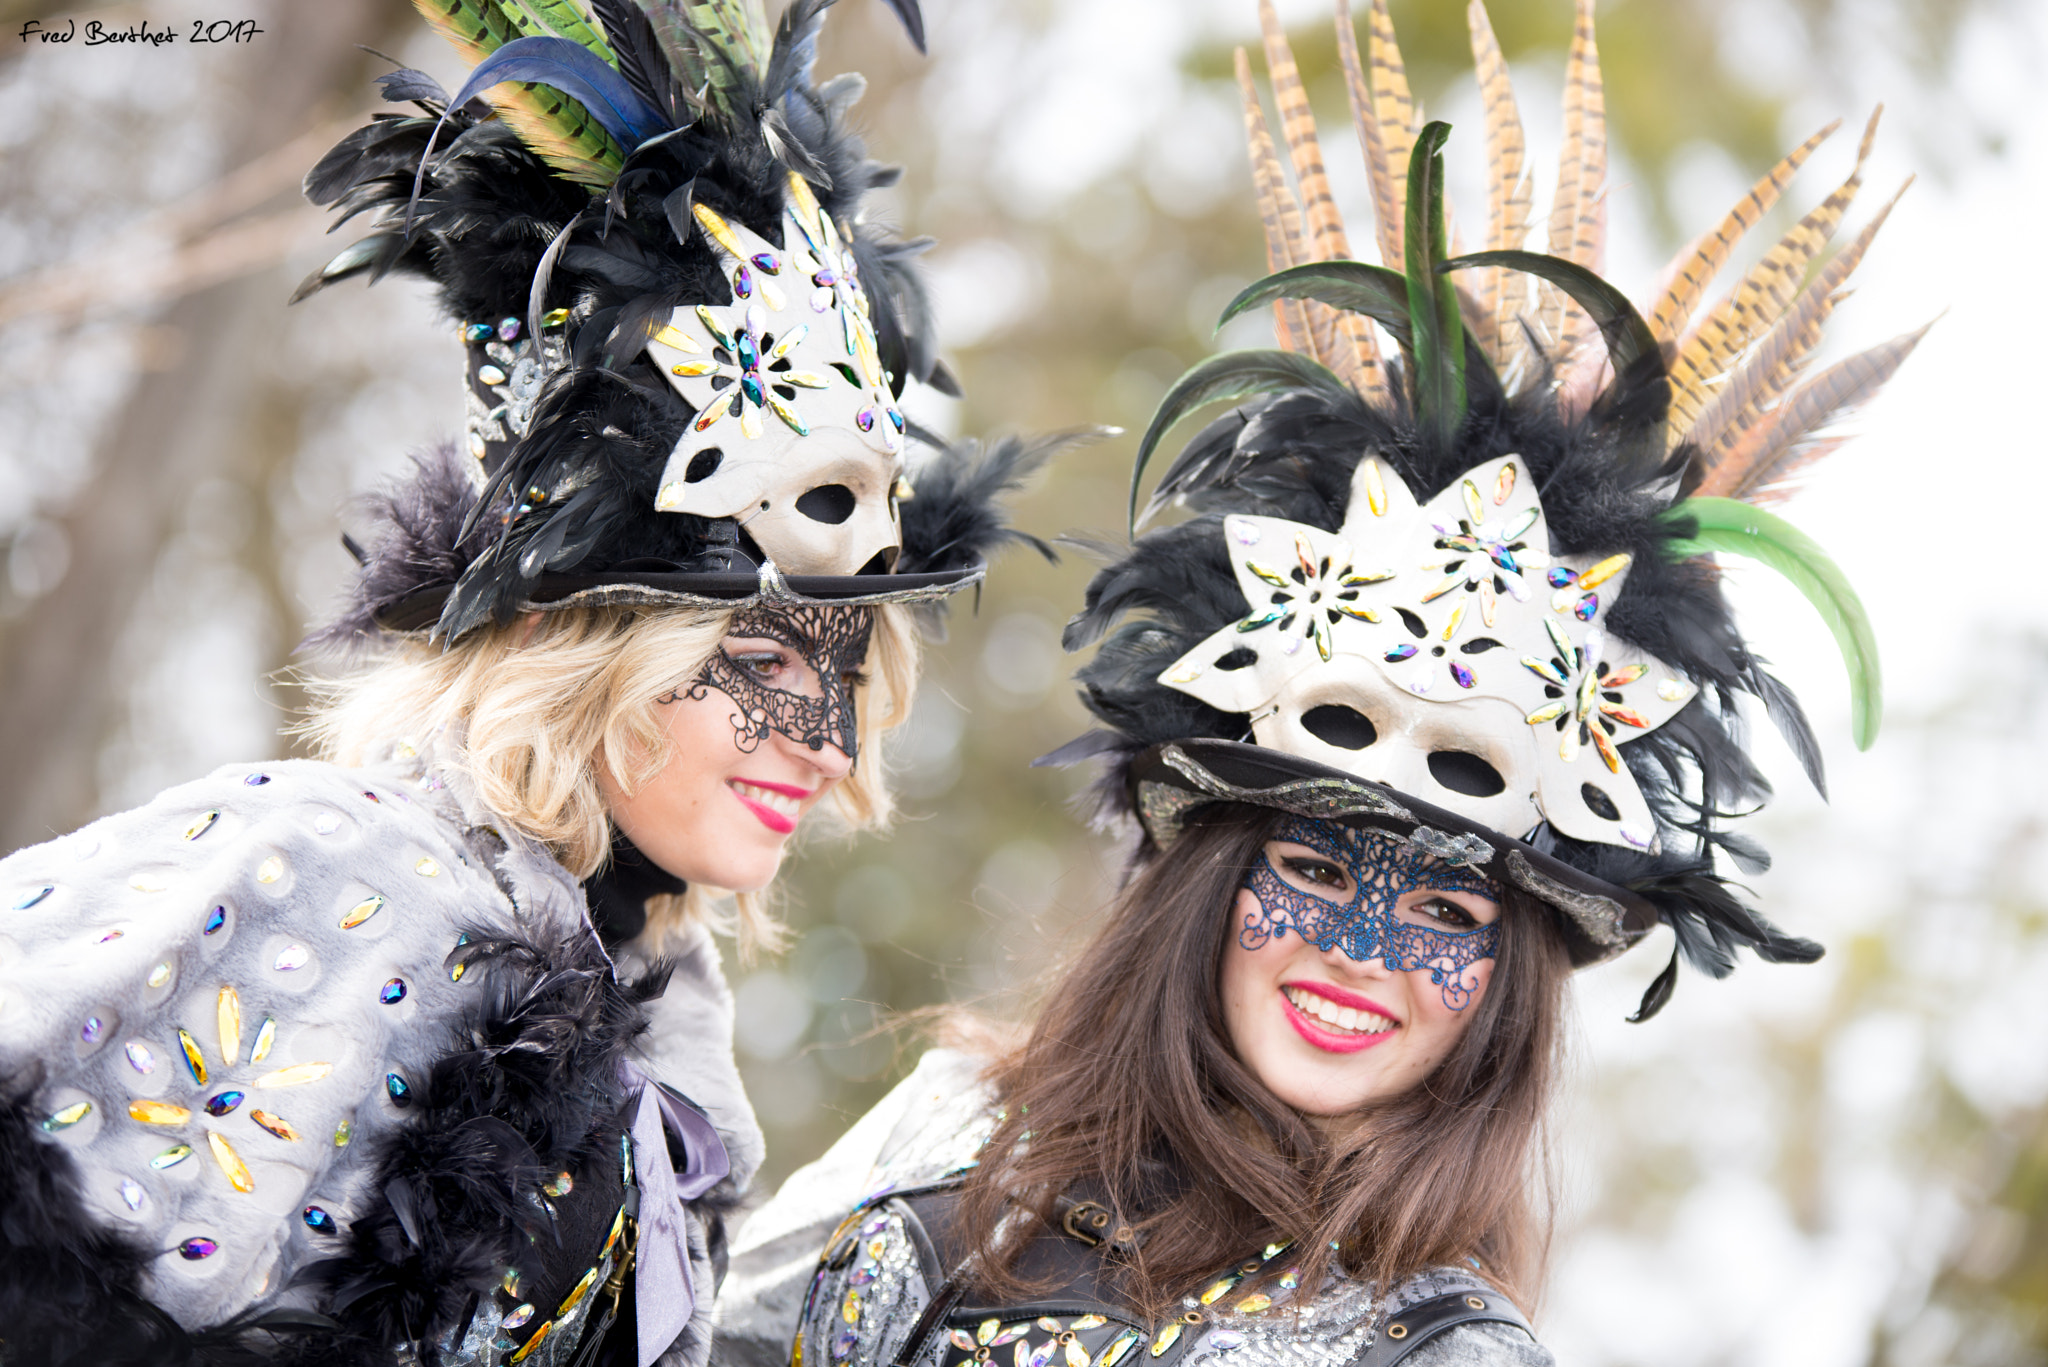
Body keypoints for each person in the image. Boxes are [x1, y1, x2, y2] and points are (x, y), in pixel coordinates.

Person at [715, 0, 1925, 1362]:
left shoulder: (1437, 1350)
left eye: (1451, 905)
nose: (1360, 956)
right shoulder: (951, 1129)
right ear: (1211, 873)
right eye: (1318, 869)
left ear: (1517, 980)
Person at [0, 1, 1065, 1362]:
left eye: (850, 673)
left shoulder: (659, 1012)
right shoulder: (344, 870)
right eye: (759, 660)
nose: (828, 743)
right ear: (597, 655)